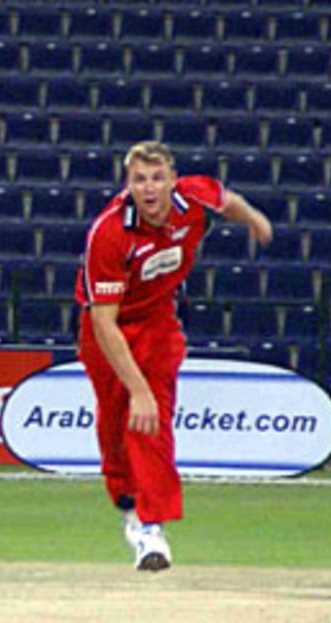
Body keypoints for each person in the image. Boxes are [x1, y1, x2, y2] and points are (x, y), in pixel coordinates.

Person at [76, 141, 273, 571]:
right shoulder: (110, 232)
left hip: (159, 322)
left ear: (171, 178)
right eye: (139, 180)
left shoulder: (192, 197)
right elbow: (103, 323)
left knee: (151, 423)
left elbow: (230, 202)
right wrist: (136, 389)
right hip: (109, 330)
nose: (149, 189)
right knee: (116, 422)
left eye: (157, 178)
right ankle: (129, 505)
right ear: (128, 184)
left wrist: (255, 220)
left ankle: (151, 528)